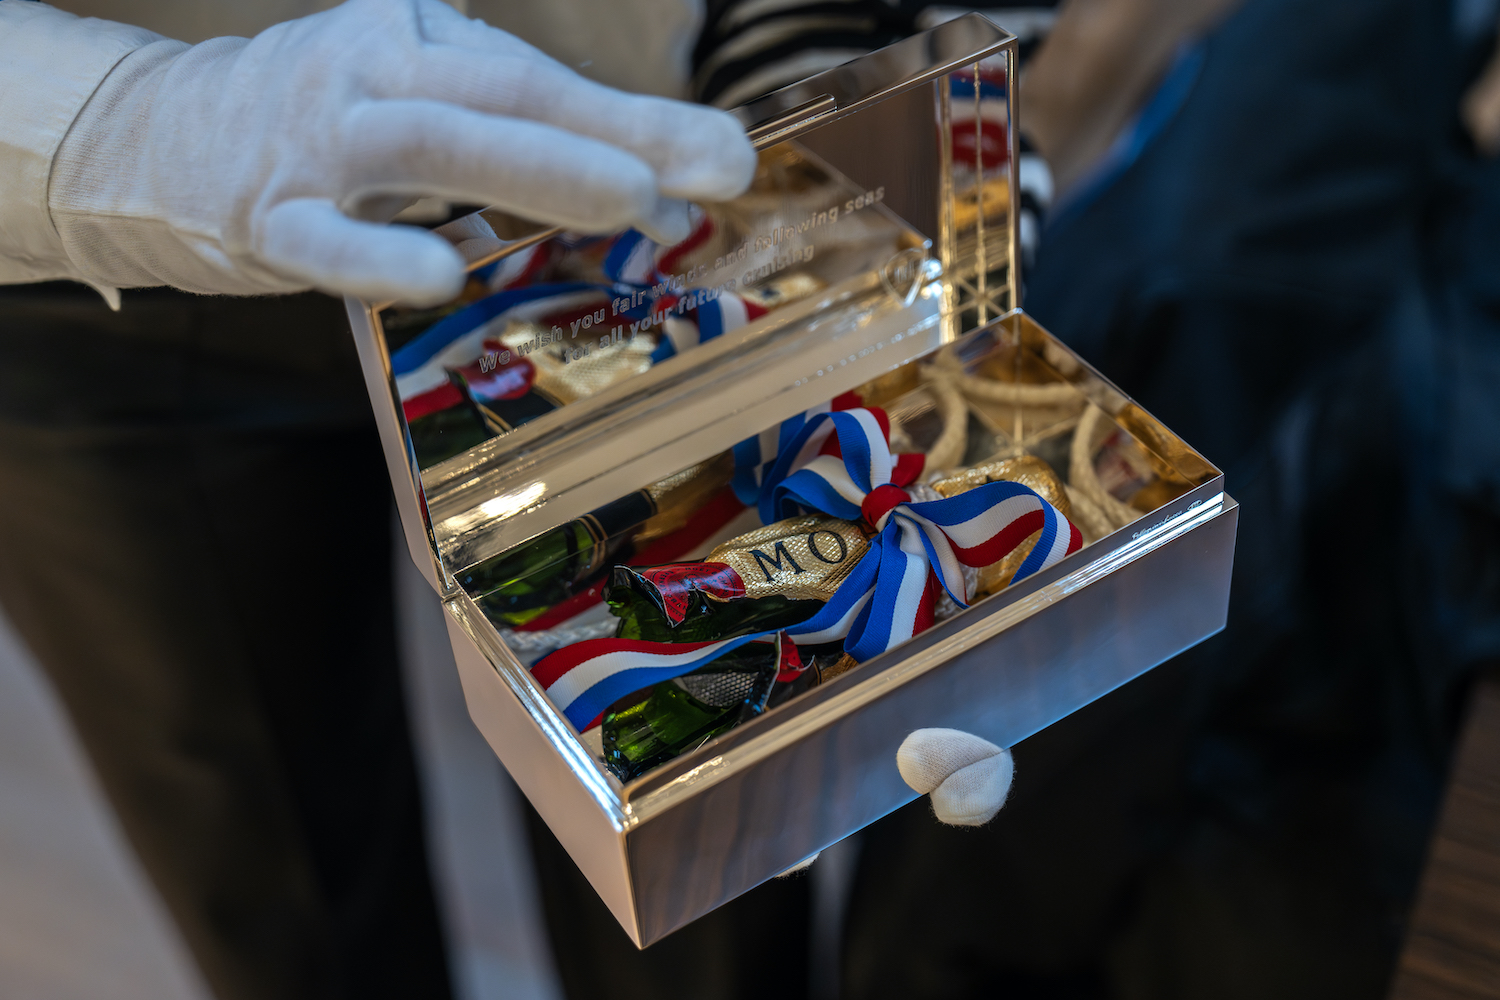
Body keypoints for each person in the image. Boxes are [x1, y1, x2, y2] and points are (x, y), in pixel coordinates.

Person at [0, 2, 755, 998]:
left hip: (613, 192)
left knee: (694, 824)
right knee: (291, 887)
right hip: (110, 256)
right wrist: (115, 128)